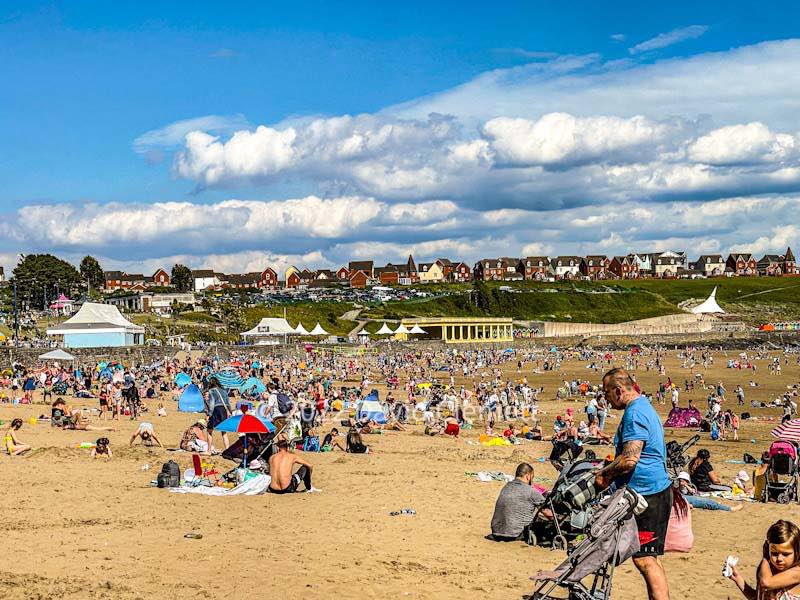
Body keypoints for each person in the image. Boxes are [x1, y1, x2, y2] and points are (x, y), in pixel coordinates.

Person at [594, 367, 672, 600]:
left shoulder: (634, 413)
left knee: (645, 559)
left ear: (618, 391)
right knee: (648, 560)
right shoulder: (643, 406)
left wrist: (605, 474)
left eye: (607, 394)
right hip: (652, 490)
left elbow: (629, 460)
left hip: (647, 495)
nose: (606, 399)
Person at [728, 519, 800, 599]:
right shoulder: (767, 569)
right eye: (774, 553)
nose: (779, 558)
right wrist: (738, 579)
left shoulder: (797, 572)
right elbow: (757, 597)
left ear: (797, 552)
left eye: (785, 554)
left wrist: (766, 557)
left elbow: (766, 583)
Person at [489, 462, 546, 542]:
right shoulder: (530, 491)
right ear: (528, 476)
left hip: (497, 532)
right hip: (515, 534)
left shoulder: (506, 487)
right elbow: (548, 512)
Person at [675, 472, 743, 512]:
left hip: (688, 498)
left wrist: (686, 486)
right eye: (681, 480)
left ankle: (719, 504)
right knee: (708, 503)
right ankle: (730, 509)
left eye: (683, 480)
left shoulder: (689, 486)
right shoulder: (678, 488)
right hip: (686, 500)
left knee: (708, 501)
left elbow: (693, 492)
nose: (681, 482)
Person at [205, 377, 231, 453]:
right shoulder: (224, 391)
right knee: (224, 431)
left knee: (209, 430)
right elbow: (228, 403)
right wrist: (229, 411)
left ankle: (209, 450)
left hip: (216, 409)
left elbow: (212, 403)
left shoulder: (211, 391)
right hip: (224, 410)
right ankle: (227, 450)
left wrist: (209, 414)